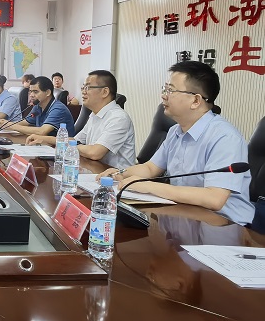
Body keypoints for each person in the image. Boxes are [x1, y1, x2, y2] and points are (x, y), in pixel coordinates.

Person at [99, 61, 254, 226]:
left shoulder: (225, 138)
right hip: (186, 215)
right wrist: (121, 173)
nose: (164, 95)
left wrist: (148, 186)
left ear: (196, 100)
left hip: (226, 225)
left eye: (170, 90)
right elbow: (151, 168)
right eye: (165, 89)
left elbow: (214, 198)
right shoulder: (175, 131)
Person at [26, 70, 135, 169]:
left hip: (116, 178)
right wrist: (44, 139)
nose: (83, 92)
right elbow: (74, 140)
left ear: (105, 92)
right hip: (95, 171)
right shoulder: (95, 115)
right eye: (83, 87)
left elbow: (95, 153)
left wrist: (70, 146)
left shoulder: (118, 118)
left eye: (88, 87)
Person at [4, 76, 75, 136]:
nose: (31, 95)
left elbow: (42, 131)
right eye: (30, 91)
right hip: (42, 142)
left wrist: (12, 126)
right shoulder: (38, 105)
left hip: (59, 146)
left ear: (48, 92)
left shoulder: (58, 109)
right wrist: (6, 124)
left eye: (35, 92)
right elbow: (25, 122)